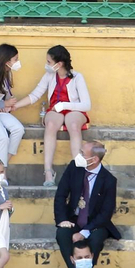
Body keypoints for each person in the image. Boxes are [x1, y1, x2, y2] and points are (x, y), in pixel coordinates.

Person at [15, 45, 90, 187]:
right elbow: (35, 95)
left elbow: (86, 105)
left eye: (49, 62)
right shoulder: (49, 76)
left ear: (59, 64)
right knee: (50, 125)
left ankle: (77, 171)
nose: (47, 65)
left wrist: (64, 105)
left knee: (73, 125)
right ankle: (48, 172)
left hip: (74, 110)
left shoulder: (77, 77)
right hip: (55, 111)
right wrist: (15, 106)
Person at [53, 141, 118, 266]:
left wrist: (84, 232)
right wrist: (62, 220)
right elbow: (61, 194)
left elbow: (106, 212)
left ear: (94, 159)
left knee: (96, 240)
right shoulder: (74, 167)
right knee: (62, 234)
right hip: (74, 219)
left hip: (96, 223)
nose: (79, 156)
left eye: (83, 154)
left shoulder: (109, 180)